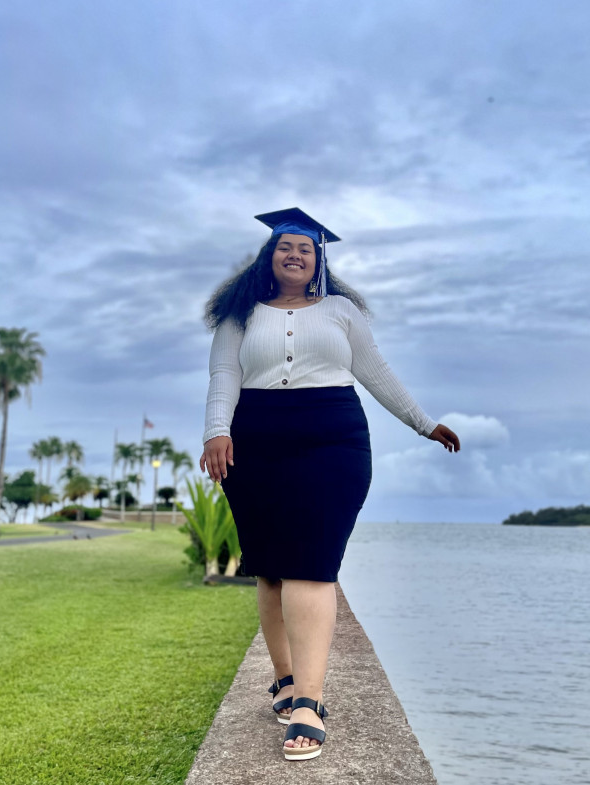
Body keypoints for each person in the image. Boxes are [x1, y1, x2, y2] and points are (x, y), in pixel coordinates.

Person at [199, 207, 460, 762]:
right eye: (284, 248)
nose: (295, 255)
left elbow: (376, 372)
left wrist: (424, 423)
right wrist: (216, 432)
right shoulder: (239, 316)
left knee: (313, 564)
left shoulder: (341, 311)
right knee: (269, 567)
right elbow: (224, 376)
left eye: (306, 250)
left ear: (319, 261)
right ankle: (286, 680)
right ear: (268, 258)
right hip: (256, 441)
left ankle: (310, 703)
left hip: (333, 440)